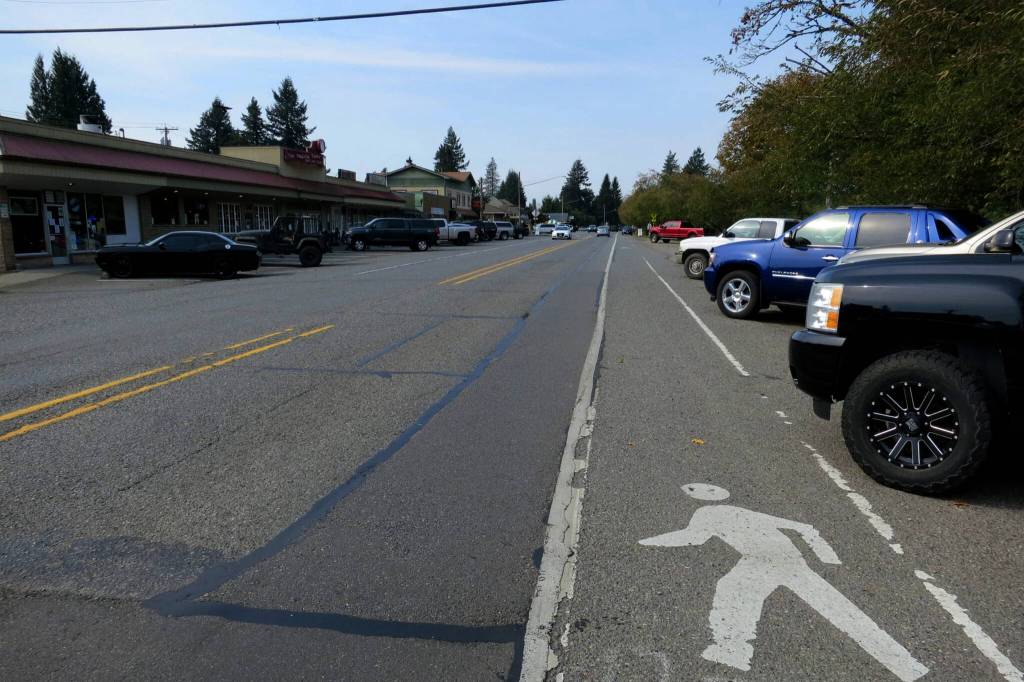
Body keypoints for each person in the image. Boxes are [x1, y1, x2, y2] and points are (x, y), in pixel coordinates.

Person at [640, 483, 927, 682]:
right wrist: (824, 554)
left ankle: (733, 649)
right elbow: (803, 528)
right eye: (693, 489)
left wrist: (650, 541)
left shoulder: (709, 512)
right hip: (778, 560)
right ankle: (903, 662)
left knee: (736, 590)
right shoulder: (724, 513)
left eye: (699, 489)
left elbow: (693, 537)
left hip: (769, 559)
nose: (698, 491)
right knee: (833, 606)